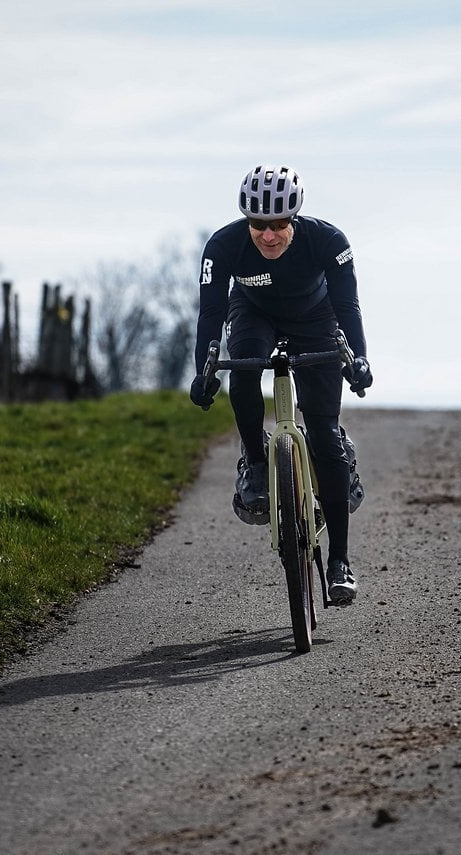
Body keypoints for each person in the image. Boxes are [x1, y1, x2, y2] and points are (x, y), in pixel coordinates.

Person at [189, 164, 372, 605]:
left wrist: (359, 358)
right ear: (245, 221)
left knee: (325, 434)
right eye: (257, 225)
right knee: (245, 365)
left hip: (316, 318)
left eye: (278, 225)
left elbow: (348, 305)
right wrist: (203, 371)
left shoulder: (329, 241)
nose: (268, 236)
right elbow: (211, 316)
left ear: (295, 217)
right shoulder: (223, 246)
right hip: (253, 314)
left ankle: (339, 563)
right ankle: (255, 461)